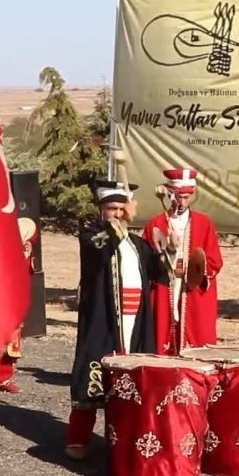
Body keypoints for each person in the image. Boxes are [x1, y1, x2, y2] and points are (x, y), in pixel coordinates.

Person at [66, 180, 168, 460]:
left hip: (135, 322)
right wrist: (120, 223)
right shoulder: (91, 234)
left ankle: (125, 436)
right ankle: (78, 437)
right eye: (112, 208)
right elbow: (102, 244)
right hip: (104, 320)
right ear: (101, 209)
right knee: (92, 374)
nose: (117, 213)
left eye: (121, 208)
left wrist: (166, 247)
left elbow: (162, 274)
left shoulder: (137, 243)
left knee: (133, 380)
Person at [141, 168, 224, 355]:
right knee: (163, 329)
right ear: (170, 194)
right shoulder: (156, 223)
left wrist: (195, 270)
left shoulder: (204, 223)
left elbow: (214, 260)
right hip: (165, 286)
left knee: (196, 333)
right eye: (179, 196)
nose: (183, 201)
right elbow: (145, 261)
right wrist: (164, 255)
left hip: (191, 287)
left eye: (187, 197)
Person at [0, 217, 38, 394]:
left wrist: (26, 245)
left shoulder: (22, 227)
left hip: (12, 294)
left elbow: (30, 232)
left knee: (10, 337)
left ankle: (3, 377)